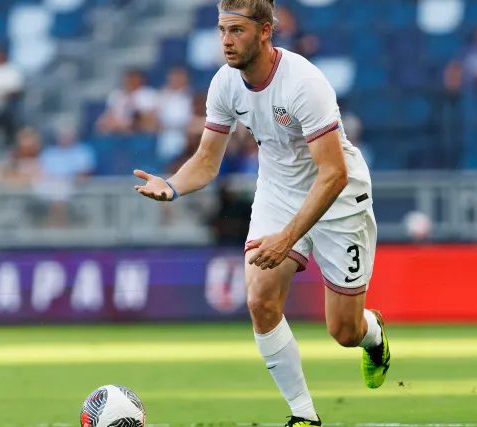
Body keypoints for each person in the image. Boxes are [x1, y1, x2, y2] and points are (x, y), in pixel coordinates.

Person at [132, 1, 390, 426]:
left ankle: (373, 334)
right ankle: (304, 416)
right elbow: (207, 162)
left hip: (338, 201)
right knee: (259, 300)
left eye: (237, 31)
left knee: (343, 331)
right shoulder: (225, 84)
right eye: (221, 31)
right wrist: (173, 184)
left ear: (265, 31)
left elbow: (333, 175)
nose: (226, 41)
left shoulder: (305, 83)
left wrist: (288, 238)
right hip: (278, 193)